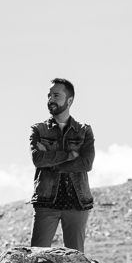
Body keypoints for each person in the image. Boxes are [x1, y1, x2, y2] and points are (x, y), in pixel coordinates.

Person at [29, 78, 95, 252]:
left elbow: (86, 163)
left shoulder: (84, 130)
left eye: (56, 95)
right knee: (37, 258)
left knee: (75, 260)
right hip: (46, 203)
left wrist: (53, 163)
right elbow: (37, 159)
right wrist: (69, 155)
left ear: (70, 100)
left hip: (77, 203)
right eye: (49, 95)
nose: (51, 99)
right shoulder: (38, 130)